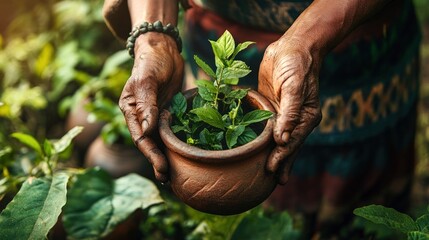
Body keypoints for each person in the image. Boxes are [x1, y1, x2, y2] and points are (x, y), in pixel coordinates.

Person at [102, 0, 421, 236]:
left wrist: (307, 42)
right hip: (216, 34)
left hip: (355, 43)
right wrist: (155, 38)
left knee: (360, 215)